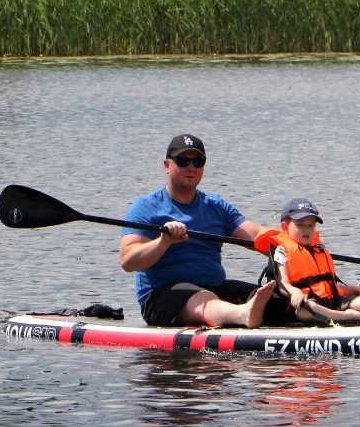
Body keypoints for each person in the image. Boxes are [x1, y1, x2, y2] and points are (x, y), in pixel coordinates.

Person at [119, 133, 280, 328]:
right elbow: (128, 261)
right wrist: (164, 241)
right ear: (167, 165)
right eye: (183, 161)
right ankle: (243, 314)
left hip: (215, 288)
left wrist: (297, 242)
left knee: (274, 300)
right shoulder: (146, 207)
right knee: (204, 297)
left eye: (198, 161)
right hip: (162, 297)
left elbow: (257, 235)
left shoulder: (216, 206)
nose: (191, 167)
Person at [254, 198, 360, 324]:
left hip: (331, 300)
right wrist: (296, 293)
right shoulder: (282, 250)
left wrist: (356, 289)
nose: (306, 229)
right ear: (285, 227)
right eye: (300, 225)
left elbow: (327, 284)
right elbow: (283, 283)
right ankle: (357, 317)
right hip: (304, 305)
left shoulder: (317, 248)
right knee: (310, 307)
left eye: (310, 225)